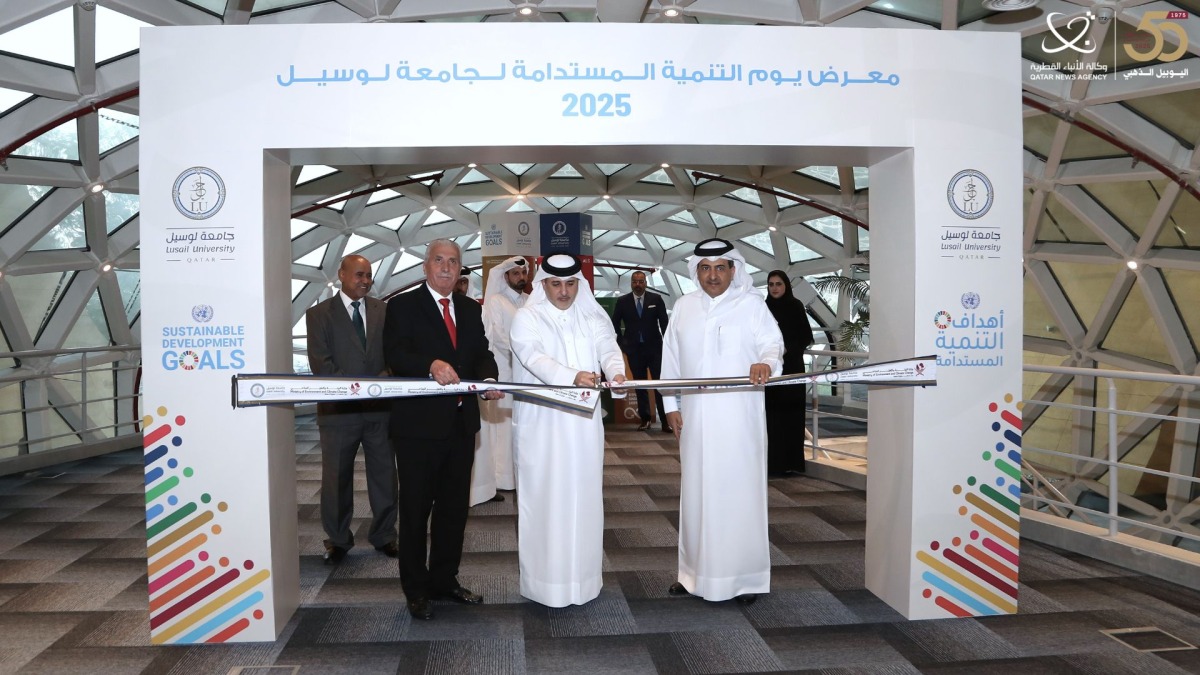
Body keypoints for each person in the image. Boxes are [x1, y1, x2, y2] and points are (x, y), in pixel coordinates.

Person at [383, 239, 503, 621]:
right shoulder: (403, 306)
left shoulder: (470, 308)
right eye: (440, 261)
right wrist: (430, 363)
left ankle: (444, 581)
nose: (448, 268)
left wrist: (487, 376)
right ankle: (415, 589)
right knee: (416, 511)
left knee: (454, 510)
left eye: (454, 262)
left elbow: (482, 351)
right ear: (425, 266)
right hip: (417, 429)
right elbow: (396, 355)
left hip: (460, 425)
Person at [661, 238, 784, 605]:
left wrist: (766, 362)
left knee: (738, 494)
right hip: (695, 418)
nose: (712, 275)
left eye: (720, 267)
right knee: (696, 494)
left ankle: (744, 579)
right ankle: (692, 574)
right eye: (704, 268)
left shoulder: (752, 305)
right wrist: (670, 404)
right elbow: (670, 358)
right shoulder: (684, 307)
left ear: (734, 269)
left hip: (739, 417)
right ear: (695, 271)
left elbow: (773, 345)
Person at [509, 253, 626, 607]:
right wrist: (571, 377)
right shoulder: (526, 317)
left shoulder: (592, 313)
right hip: (542, 426)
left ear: (580, 283)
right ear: (543, 283)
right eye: (556, 284)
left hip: (583, 427)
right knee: (546, 502)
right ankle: (545, 586)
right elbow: (534, 358)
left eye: (571, 283)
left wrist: (616, 371)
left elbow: (608, 346)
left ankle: (584, 582)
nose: (564, 292)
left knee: (585, 499)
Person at [305, 255, 398, 565]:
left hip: (379, 411)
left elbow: (393, 357)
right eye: (359, 274)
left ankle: (384, 534)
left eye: (369, 275)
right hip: (338, 412)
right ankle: (338, 539)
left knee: (385, 475)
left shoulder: (383, 311)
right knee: (336, 478)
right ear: (341, 274)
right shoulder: (319, 315)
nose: (365, 280)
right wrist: (360, 389)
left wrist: (380, 384)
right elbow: (322, 364)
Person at [480, 256, 529, 493]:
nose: (521, 277)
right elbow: (497, 336)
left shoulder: (530, 301)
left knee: (525, 423)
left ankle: (524, 475)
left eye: (523, 273)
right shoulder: (497, 302)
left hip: (529, 374)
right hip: (505, 370)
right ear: (506, 276)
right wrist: (525, 354)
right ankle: (503, 479)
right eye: (516, 273)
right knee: (505, 425)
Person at [765, 270, 815, 476]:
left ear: (786, 286)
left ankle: (791, 463)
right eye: (771, 284)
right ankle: (772, 463)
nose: (775, 288)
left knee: (791, 415)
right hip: (769, 372)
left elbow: (805, 336)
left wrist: (787, 349)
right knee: (771, 417)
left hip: (792, 369)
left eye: (778, 284)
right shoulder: (763, 308)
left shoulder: (795, 306)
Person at [610, 270, 670, 431]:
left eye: (641, 281)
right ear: (631, 283)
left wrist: (668, 346)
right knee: (640, 385)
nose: (638, 284)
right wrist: (622, 344)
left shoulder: (656, 299)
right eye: (635, 281)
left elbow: (665, 324)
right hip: (634, 350)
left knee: (659, 385)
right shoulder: (623, 301)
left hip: (655, 349)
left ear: (646, 283)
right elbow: (614, 324)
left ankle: (665, 421)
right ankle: (645, 419)